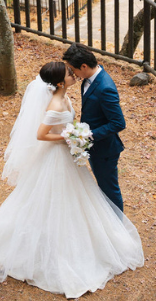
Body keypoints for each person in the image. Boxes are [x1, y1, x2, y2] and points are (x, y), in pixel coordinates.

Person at [0, 61, 143, 298]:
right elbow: (41, 134)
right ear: (59, 82)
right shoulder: (56, 102)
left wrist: (74, 134)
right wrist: (68, 137)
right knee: (54, 198)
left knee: (76, 198)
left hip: (67, 155)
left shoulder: (64, 96)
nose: (73, 75)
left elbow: (68, 124)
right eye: (69, 74)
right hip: (56, 157)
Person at [62, 43, 128, 212]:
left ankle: (117, 228)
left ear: (83, 66)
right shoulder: (88, 80)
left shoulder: (105, 88)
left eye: (72, 69)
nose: (72, 73)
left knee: (109, 190)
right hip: (93, 146)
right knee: (101, 188)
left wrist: (87, 135)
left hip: (105, 150)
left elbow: (118, 123)